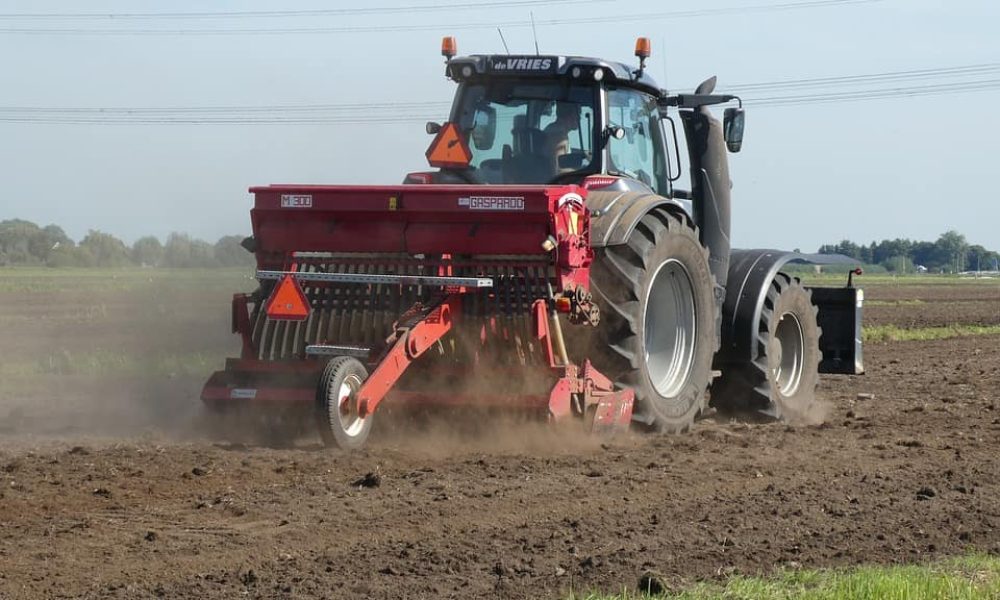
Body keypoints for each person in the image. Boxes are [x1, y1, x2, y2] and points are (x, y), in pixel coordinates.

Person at [543, 102, 581, 175]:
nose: (579, 118)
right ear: (569, 115)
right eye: (578, 113)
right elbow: (558, 169)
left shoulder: (553, 128)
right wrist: (583, 171)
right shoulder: (559, 138)